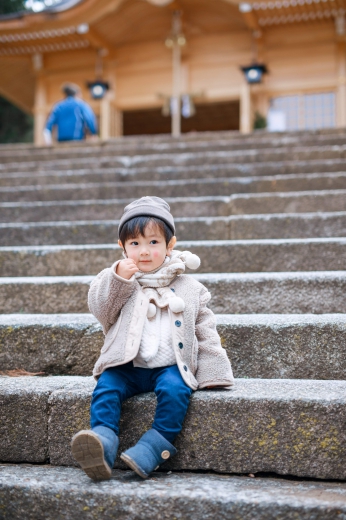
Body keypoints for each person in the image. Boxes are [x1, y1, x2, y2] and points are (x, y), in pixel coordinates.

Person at [71, 196, 234, 481]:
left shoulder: (190, 288)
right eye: (134, 244)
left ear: (170, 245)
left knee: (176, 391)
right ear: (122, 247)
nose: (144, 252)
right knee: (107, 387)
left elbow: (205, 332)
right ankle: (103, 442)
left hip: (170, 365)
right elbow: (101, 310)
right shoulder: (117, 279)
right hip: (127, 365)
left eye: (153, 243)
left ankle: (154, 446)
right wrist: (119, 279)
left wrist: (213, 372)